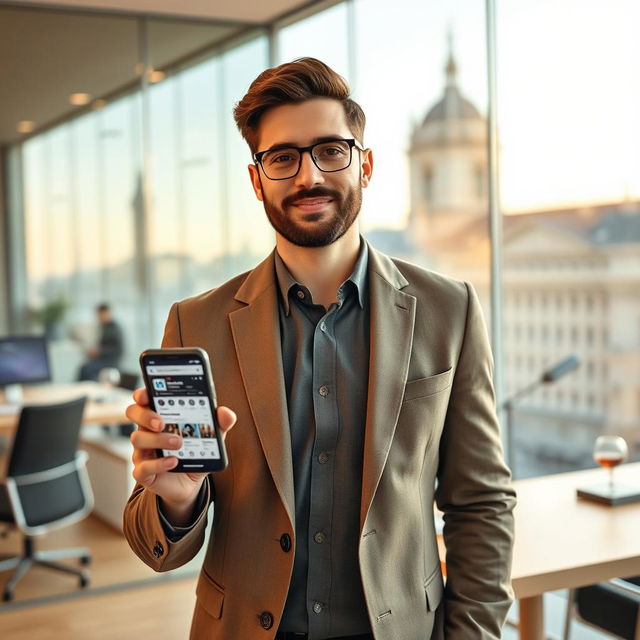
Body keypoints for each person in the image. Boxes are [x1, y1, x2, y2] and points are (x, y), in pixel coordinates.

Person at [123, 58, 516, 640]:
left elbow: (481, 503)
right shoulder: (195, 323)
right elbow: (157, 549)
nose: (309, 176)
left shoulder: (448, 310)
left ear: (366, 165)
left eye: (331, 150)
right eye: (282, 158)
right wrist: (178, 501)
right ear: (257, 180)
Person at [77, 302, 124, 381]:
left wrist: (100, 351)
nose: (100, 317)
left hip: (111, 362)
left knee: (86, 369)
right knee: (84, 367)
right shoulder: (104, 327)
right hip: (102, 360)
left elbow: (119, 350)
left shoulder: (115, 329)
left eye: (102, 315)